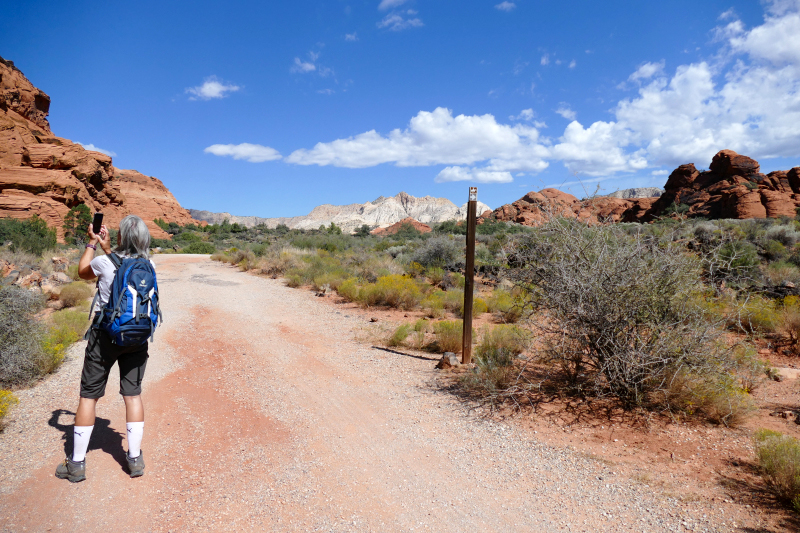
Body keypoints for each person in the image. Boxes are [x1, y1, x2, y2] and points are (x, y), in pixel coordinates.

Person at [55, 215, 154, 482]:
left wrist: (92, 243)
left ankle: (76, 464)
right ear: (144, 238)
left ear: (121, 236)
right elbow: (123, 266)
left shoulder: (103, 261)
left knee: (89, 396)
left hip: (104, 336)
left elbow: (83, 272)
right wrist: (109, 247)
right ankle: (134, 459)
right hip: (137, 337)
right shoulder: (149, 264)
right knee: (132, 395)